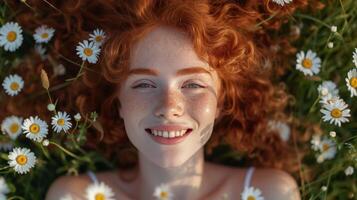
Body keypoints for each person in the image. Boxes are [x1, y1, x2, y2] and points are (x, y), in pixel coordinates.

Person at [9, 0, 301, 199]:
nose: (169, 107)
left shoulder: (272, 193)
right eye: (145, 84)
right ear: (117, 101)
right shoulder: (74, 196)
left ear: (223, 100)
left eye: (194, 84)